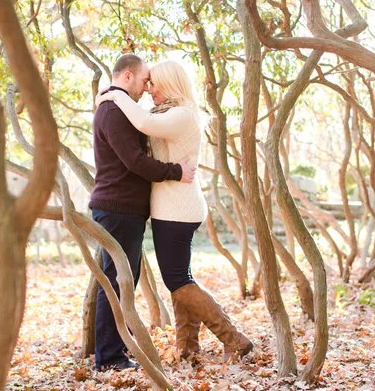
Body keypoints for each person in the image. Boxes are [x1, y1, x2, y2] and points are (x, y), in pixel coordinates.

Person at [96, 60, 253, 362]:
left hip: (178, 209)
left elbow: (143, 125)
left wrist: (116, 95)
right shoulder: (165, 112)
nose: (149, 89)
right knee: (180, 277)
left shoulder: (182, 114)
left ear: (169, 85)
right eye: (147, 82)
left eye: (154, 83)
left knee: (178, 280)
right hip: (171, 207)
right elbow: (142, 124)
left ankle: (234, 339)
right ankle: (188, 349)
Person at [89, 54, 196, 372]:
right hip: (117, 209)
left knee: (122, 280)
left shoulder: (121, 109)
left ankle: (114, 352)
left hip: (125, 210)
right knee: (117, 280)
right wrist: (176, 171)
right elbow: (135, 162)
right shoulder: (113, 110)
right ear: (126, 77)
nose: (147, 87)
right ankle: (109, 358)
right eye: (144, 79)